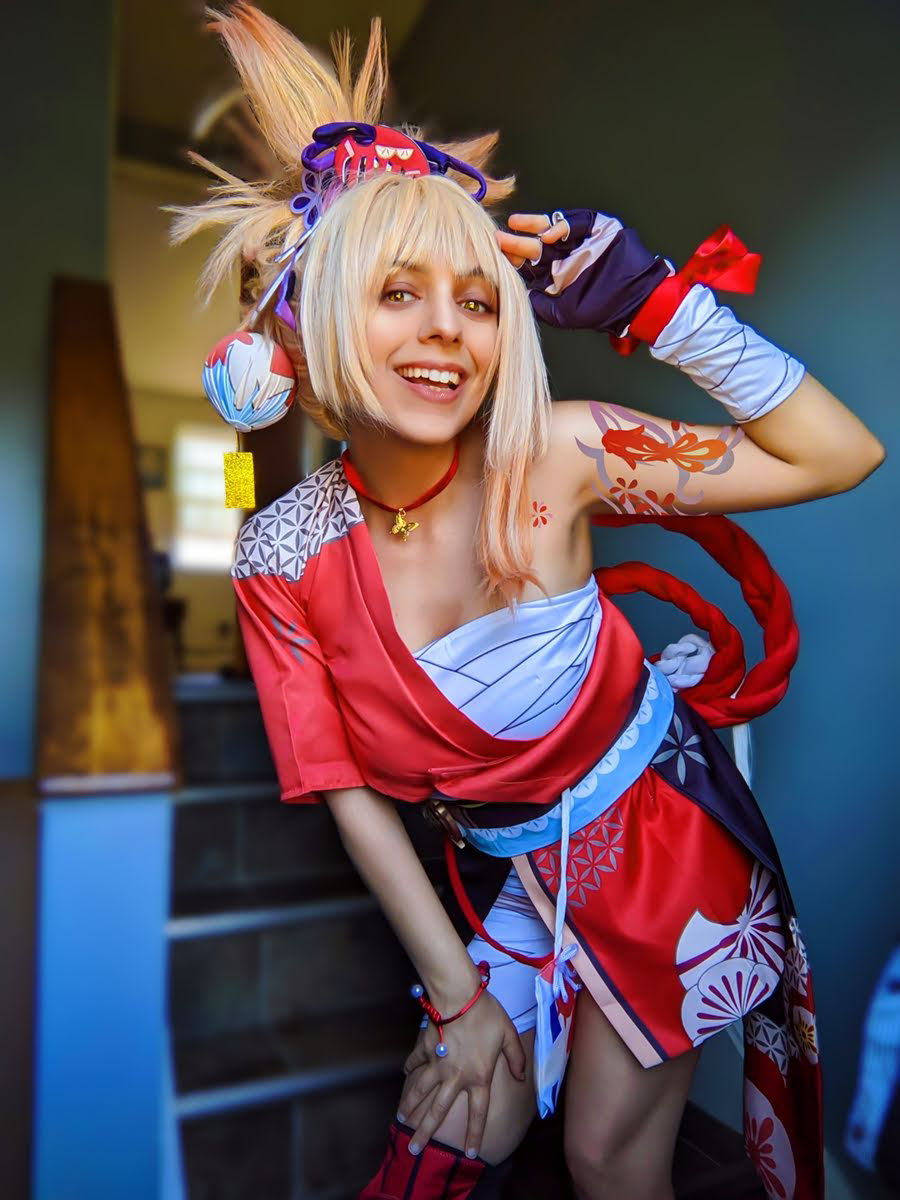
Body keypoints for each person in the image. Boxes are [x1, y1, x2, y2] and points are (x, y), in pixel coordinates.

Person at [170, 5, 885, 1198]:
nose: (447, 332)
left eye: (478, 298)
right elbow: (346, 794)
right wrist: (459, 1001)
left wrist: (660, 306)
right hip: (514, 871)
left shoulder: (558, 455)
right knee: (442, 1139)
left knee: (608, 1159)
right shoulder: (280, 555)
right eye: (400, 293)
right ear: (319, 313)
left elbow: (839, 453)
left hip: (664, 836)